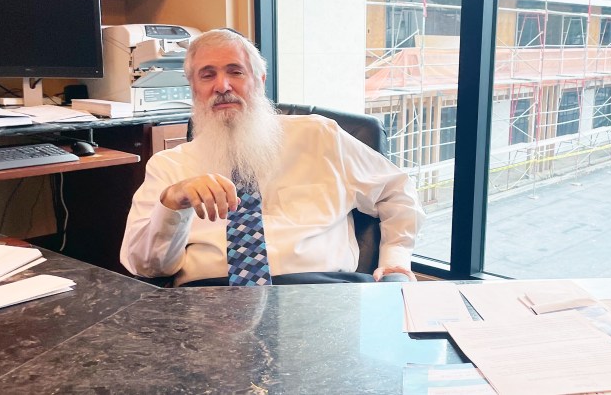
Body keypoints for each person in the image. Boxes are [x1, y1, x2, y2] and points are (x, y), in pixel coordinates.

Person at [120, 29, 424, 286]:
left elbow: (397, 191)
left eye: (236, 71)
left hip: (321, 296)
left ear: (260, 80)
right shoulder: (169, 167)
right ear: (194, 89)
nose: (222, 86)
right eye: (207, 75)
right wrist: (174, 204)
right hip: (210, 303)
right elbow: (145, 267)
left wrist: (396, 260)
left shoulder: (319, 137)